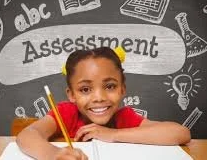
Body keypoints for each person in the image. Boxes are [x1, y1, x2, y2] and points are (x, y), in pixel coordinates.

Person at [16, 46, 191, 160]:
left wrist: (112, 134)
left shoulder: (124, 117)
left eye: (110, 86)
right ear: (71, 95)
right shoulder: (66, 113)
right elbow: (27, 135)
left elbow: (180, 133)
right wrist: (53, 154)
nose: (99, 97)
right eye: (85, 89)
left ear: (122, 89)